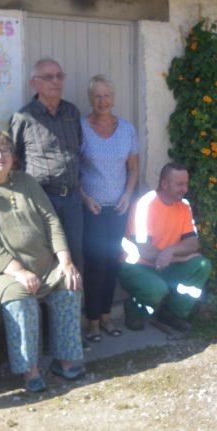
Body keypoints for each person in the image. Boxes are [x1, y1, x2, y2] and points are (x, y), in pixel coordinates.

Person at [0, 129, 85, 393]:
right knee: (21, 298)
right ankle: (30, 369)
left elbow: (51, 220)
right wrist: (19, 271)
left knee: (70, 284)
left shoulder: (26, 181)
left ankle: (64, 360)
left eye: (5, 150)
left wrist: (65, 260)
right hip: (6, 273)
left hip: (45, 265)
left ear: (13, 156)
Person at [118, 162, 211, 336]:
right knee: (156, 289)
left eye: (186, 184)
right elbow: (145, 251)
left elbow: (193, 243)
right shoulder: (145, 204)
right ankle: (133, 310)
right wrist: (180, 257)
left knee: (202, 266)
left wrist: (171, 251)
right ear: (164, 184)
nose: (185, 189)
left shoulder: (184, 205)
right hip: (136, 266)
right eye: (180, 184)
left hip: (165, 264)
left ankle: (172, 314)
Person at [79, 75, 139, 342]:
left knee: (112, 262)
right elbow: (72, 169)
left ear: (113, 98)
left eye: (107, 96)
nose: (102, 101)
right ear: (90, 99)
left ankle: (106, 316)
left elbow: (133, 167)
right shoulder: (80, 128)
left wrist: (127, 195)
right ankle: (92, 321)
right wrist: (84, 197)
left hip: (117, 209)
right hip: (91, 209)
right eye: (97, 96)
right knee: (94, 264)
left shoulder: (127, 129)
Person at [9, 57, 84, 267]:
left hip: (72, 199)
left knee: (75, 255)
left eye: (59, 76)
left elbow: (78, 147)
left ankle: (74, 290)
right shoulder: (24, 117)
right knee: (45, 256)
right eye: (49, 77)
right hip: (42, 199)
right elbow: (13, 159)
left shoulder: (71, 112)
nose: (55, 81)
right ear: (34, 83)